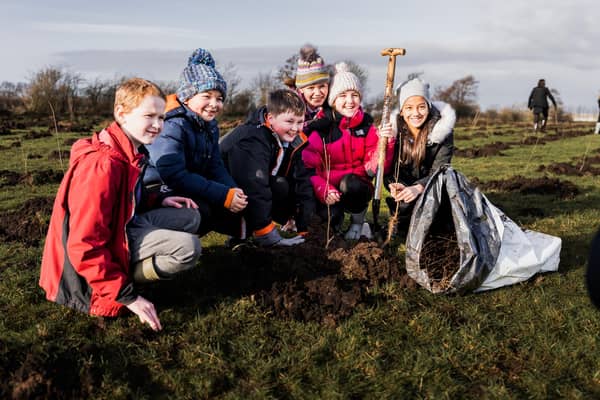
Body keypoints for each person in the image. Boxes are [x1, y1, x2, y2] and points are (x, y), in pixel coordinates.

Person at [40, 78, 202, 331]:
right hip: (81, 277)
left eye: (161, 117)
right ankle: (122, 285)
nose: (158, 125)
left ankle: (127, 272)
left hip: (120, 231)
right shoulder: (102, 166)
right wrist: (128, 297)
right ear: (121, 114)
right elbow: (84, 245)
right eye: (149, 116)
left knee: (190, 217)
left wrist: (158, 199)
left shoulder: (128, 151)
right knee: (187, 248)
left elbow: (123, 198)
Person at [144, 48, 248, 239]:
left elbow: (215, 165)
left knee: (231, 201)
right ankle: (169, 244)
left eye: (219, 98)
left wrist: (232, 190)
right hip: (158, 189)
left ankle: (240, 240)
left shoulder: (209, 125)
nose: (214, 104)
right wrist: (223, 195)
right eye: (206, 96)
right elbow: (173, 174)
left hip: (186, 183)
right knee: (205, 210)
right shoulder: (172, 125)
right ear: (187, 97)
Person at [302, 62, 394, 240]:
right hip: (327, 190)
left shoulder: (367, 127)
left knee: (351, 184)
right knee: (328, 221)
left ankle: (358, 223)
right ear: (333, 100)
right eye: (343, 95)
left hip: (354, 186)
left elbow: (373, 169)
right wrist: (324, 189)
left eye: (355, 95)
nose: (350, 101)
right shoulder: (319, 130)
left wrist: (386, 143)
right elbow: (309, 169)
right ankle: (335, 223)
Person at [220, 89, 314, 247]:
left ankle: (249, 233)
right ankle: (247, 233)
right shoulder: (252, 138)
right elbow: (254, 185)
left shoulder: (296, 141)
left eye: (300, 122)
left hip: (250, 193)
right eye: (289, 121)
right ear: (271, 118)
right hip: (222, 197)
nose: (295, 128)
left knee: (281, 185)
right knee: (266, 186)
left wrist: (306, 229)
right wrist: (267, 233)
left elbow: (303, 184)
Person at [381, 77, 456, 233]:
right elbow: (385, 169)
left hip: (433, 187)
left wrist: (419, 187)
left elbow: (441, 169)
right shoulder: (393, 132)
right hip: (405, 189)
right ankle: (400, 218)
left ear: (428, 107)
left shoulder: (443, 131)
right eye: (409, 108)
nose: (415, 113)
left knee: (441, 218)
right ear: (402, 111)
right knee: (407, 212)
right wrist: (393, 184)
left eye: (421, 107)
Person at [283, 44, 331, 132]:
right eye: (311, 88)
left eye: (322, 86)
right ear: (301, 89)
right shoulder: (288, 110)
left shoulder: (334, 109)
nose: (317, 93)